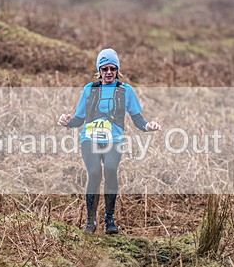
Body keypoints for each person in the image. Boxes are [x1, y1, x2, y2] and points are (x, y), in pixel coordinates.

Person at [58, 48, 161, 234]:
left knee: (111, 170)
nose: (109, 73)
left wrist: (148, 126)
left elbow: (138, 119)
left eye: (112, 69)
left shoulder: (126, 91)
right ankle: (90, 221)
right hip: (89, 138)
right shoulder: (89, 89)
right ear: (99, 71)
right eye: (104, 69)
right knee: (95, 173)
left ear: (117, 70)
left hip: (114, 139)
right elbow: (78, 119)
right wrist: (67, 122)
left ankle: (109, 219)